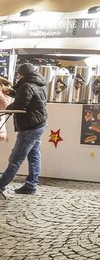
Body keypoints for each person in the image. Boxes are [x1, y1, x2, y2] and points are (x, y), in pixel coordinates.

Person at [0, 64, 48, 194]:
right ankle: (31, 185)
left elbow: (20, 106)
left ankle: (1, 185)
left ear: (21, 74)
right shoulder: (38, 82)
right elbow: (28, 97)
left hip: (30, 127)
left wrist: (3, 109)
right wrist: (11, 92)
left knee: (16, 158)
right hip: (39, 124)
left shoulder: (26, 85)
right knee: (34, 156)